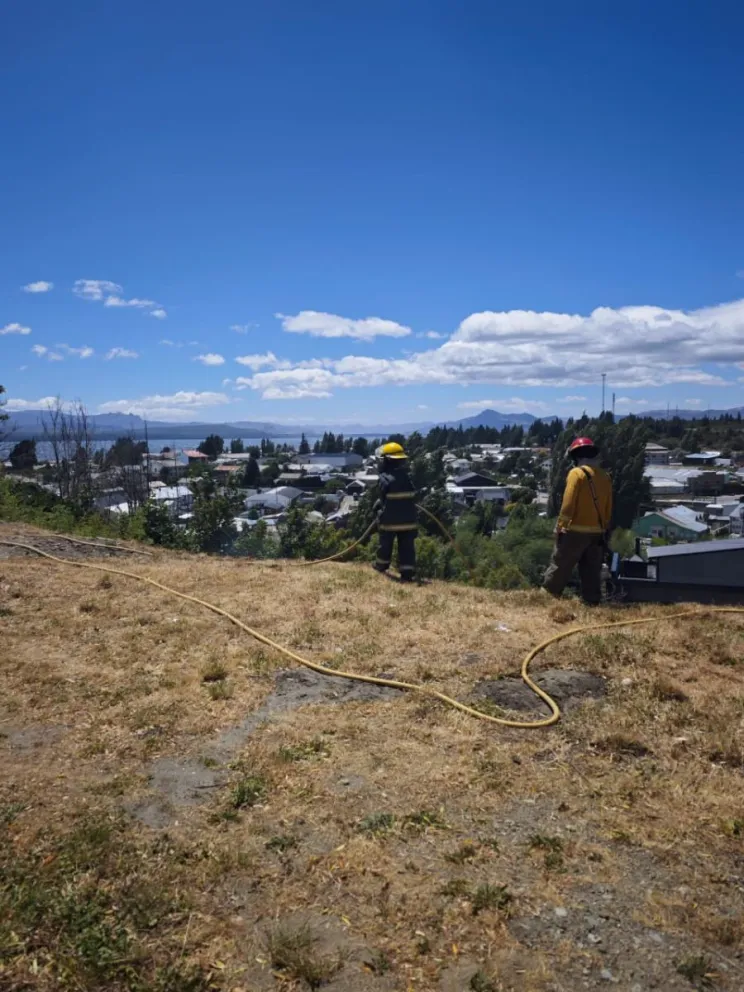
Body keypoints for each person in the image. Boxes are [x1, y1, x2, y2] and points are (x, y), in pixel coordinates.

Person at [543, 436, 613, 605]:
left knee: (560, 568)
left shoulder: (576, 473)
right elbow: (608, 507)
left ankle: (546, 599)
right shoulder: (605, 476)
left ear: (575, 457)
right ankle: (592, 603)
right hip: (597, 533)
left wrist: (561, 525)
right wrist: (603, 529)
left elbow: (568, 501)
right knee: (591, 572)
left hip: (574, 531)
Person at [373, 442, 418, 582]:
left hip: (390, 520)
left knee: (385, 544)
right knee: (407, 548)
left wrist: (378, 508)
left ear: (386, 460)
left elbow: (383, 497)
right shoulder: (407, 477)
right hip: (409, 520)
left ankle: (381, 565)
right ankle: (407, 573)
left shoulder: (384, 478)